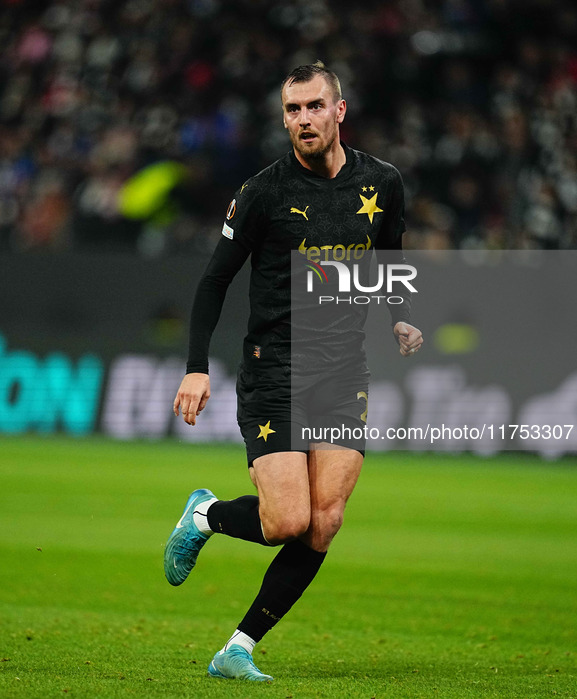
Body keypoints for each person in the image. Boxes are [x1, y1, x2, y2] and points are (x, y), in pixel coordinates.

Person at [164, 61, 423, 683]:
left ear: (339, 110)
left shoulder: (382, 183)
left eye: (313, 106)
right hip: (273, 369)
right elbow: (214, 280)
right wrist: (196, 368)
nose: (302, 119)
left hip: (343, 372)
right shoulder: (264, 192)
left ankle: (239, 648)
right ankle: (204, 515)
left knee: (325, 520)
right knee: (286, 522)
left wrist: (401, 315)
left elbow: (388, 256)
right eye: (291, 110)